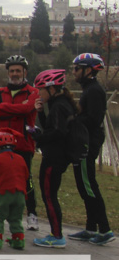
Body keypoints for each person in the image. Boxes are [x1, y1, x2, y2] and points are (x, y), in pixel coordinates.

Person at [0, 55, 39, 230]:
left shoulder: (33, 92)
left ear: (25, 72)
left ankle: (32, 215)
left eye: (18, 70)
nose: (15, 74)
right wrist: (16, 111)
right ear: (8, 73)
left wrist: (3, 108)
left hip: (23, 143)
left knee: (26, 179)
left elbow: (28, 109)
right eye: (12, 71)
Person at [67, 53, 114, 246]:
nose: (74, 72)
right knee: (83, 185)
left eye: (77, 69)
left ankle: (104, 230)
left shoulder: (94, 91)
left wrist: (73, 120)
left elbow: (94, 119)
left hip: (88, 142)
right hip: (84, 140)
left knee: (88, 185)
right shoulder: (89, 89)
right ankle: (90, 228)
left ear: (88, 70)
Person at [31, 68, 78, 249]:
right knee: (50, 194)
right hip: (59, 157)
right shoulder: (62, 103)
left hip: (54, 158)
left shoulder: (59, 106)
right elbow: (53, 127)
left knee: (49, 196)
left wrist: (38, 137)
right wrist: (41, 113)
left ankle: (57, 235)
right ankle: (55, 233)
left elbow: (57, 133)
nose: (39, 93)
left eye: (41, 89)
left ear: (52, 88)